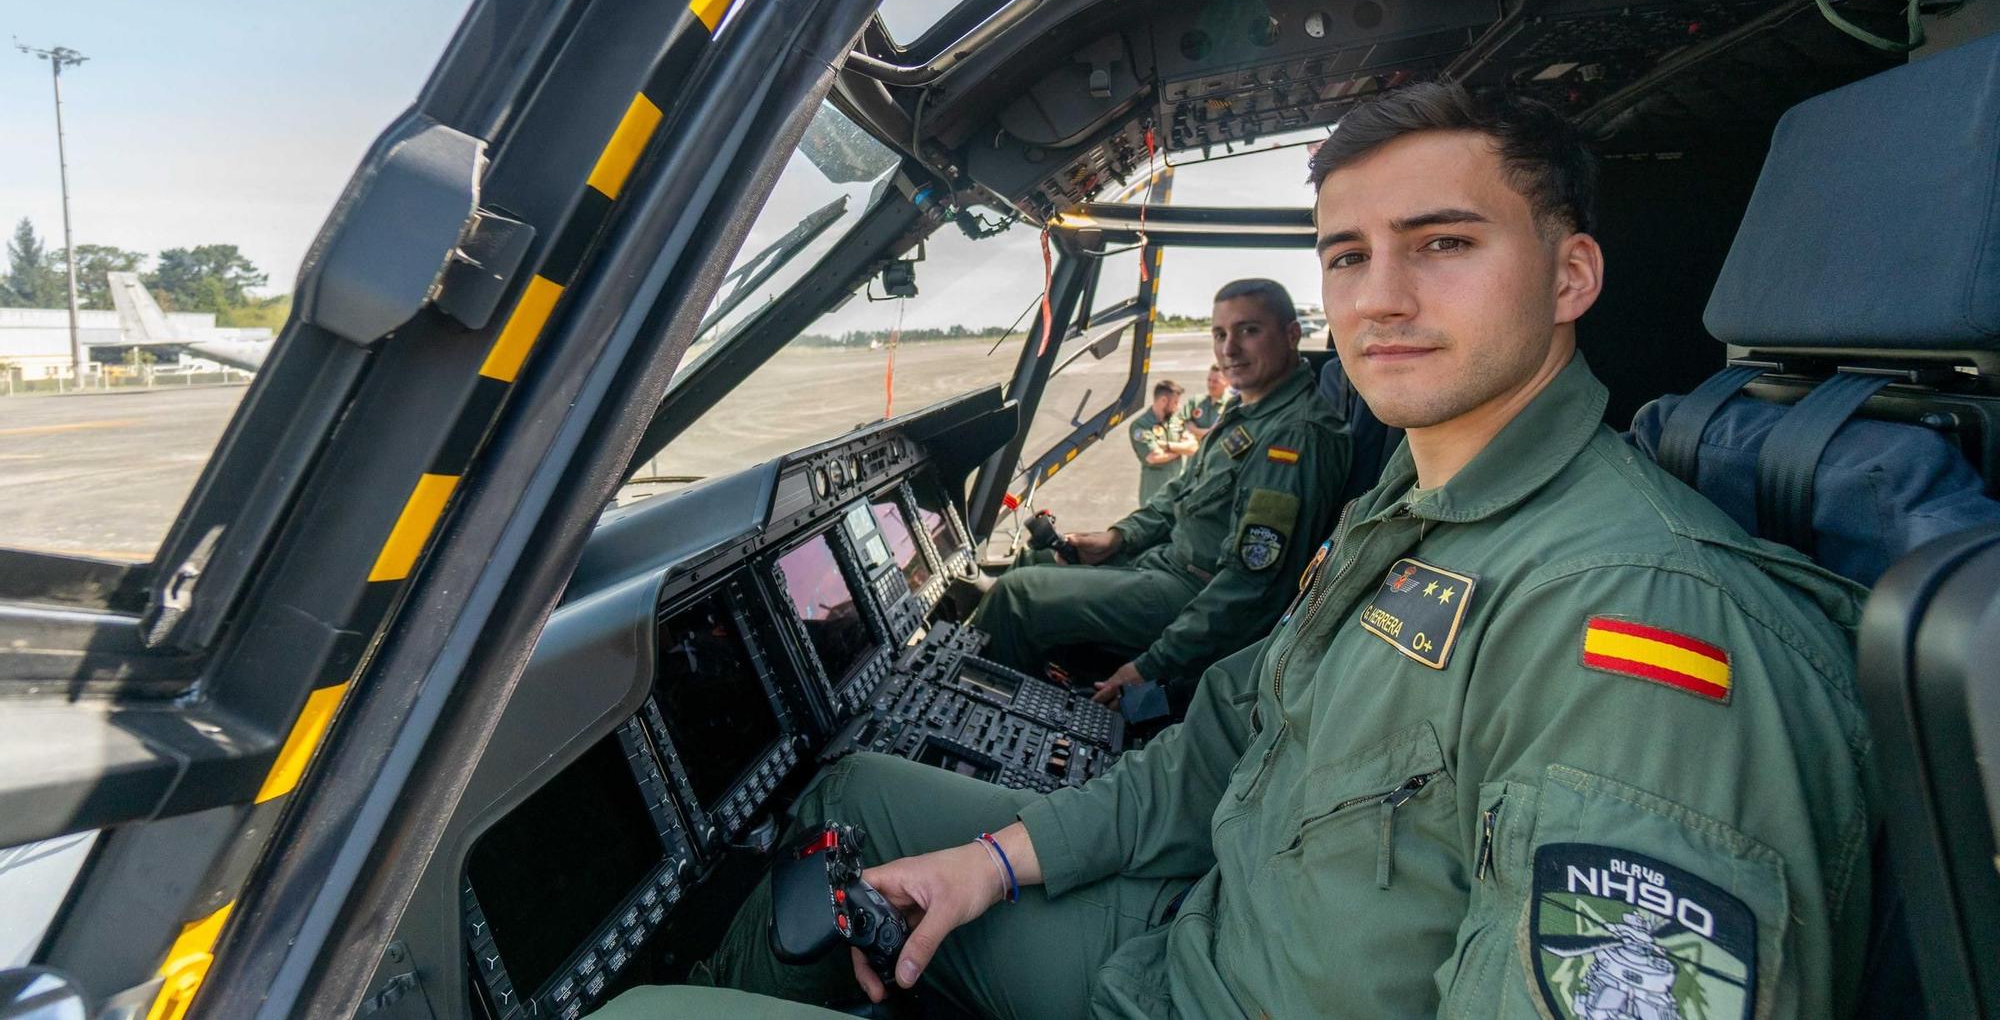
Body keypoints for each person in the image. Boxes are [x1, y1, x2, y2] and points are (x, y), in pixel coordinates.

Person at [608, 83, 1872, 1020]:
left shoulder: (1636, 625)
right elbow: (1220, 747)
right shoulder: (1407, 518)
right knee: (867, 806)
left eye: (1443, 243)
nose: (1379, 295)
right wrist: (989, 863)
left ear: (1570, 273)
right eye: (1346, 254)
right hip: (1188, 935)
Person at [971, 279, 1348, 704]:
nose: (1229, 349)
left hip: (1195, 591)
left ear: (1292, 334)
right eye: (1220, 334)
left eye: (1249, 330)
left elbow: (1251, 589)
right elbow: (1180, 493)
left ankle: (975, 721)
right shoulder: (1250, 411)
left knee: (1017, 596)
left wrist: (1150, 666)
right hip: (1170, 563)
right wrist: (1119, 537)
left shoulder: (1293, 437)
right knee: (1036, 556)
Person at [1125, 379, 1187, 504]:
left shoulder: (1176, 421)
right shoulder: (1141, 425)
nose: (1178, 406)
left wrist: (1167, 446)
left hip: (1178, 494)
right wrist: (1180, 450)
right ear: (1163, 400)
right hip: (1155, 496)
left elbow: (1193, 446)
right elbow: (1154, 457)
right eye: (1175, 402)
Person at [1176, 363, 1231, 450]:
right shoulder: (1196, 401)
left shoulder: (1231, 404)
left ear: (1227, 382)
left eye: (1215, 381)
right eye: (1209, 380)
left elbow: (1221, 434)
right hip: (1195, 455)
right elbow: (1179, 422)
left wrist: (1194, 430)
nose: (1211, 385)